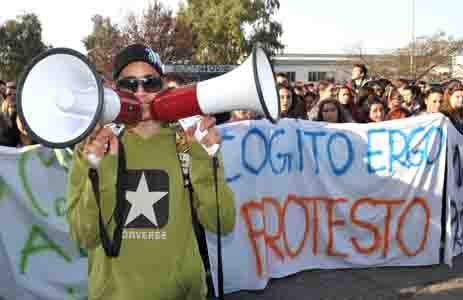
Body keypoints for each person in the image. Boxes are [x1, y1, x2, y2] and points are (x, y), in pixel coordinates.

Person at [66, 43, 236, 300]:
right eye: (130, 85)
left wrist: (204, 156)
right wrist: (102, 167)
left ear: (164, 87)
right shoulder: (90, 146)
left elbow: (222, 222)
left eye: (150, 82)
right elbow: (84, 235)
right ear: (115, 90)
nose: (142, 92)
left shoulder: (188, 142)